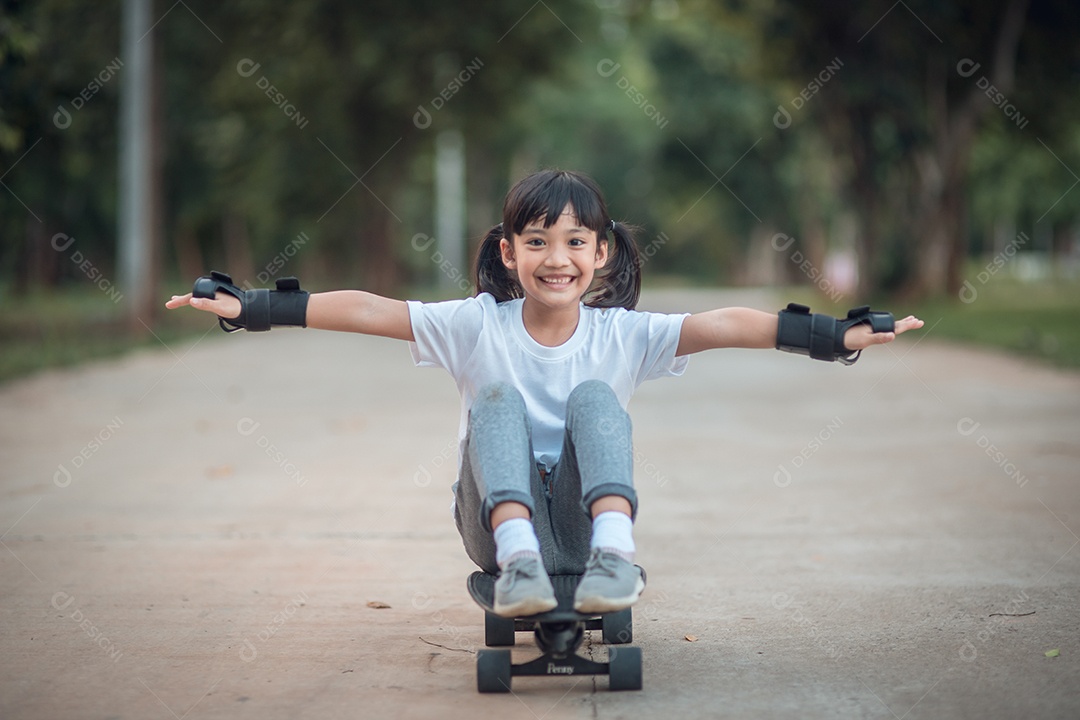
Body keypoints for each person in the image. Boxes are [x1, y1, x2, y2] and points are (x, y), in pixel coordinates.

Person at [165, 169, 923, 618]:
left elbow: (725, 324)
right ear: (508, 252)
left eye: (573, 243)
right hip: (494, 530)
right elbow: (369, 309)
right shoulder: (475, 325)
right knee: (496, 402)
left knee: (596, 399)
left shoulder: (623, 335)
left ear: (602, 253)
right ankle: (521, 562)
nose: (555, 259)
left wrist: (834, 335)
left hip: (587, 527)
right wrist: (251, 307)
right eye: (536, 242)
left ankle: (616, 556)